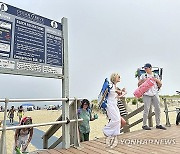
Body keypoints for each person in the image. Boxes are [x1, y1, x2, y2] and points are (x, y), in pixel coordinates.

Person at [138, 63, 166, 130]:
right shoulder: (143, 75)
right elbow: (139, 85)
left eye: (146, 68)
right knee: (146, 109)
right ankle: (144, 125)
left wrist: (155, 80)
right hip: (146, 94)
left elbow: (160, 84)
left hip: (155, 93)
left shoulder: (156, 75)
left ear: (150, 68)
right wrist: (143, 80)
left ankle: (158, 124)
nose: (145, 69)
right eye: (144, 68)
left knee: (157, 109)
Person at [103, 73, 126, 143]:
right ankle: (106, 130)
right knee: (115, 119)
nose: (119, 77)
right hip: (110, 105)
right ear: (114, 77)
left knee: (118, 119)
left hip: (114, 104)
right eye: (118, 76)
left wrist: (122, 93)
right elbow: (117, 92)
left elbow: (119, 94)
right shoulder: (111, 85)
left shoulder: (115, 86)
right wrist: (122, 92)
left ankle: (115, 133)